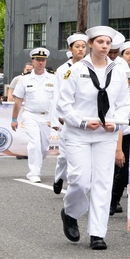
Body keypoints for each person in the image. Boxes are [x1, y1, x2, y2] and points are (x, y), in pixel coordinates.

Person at [57, 25, 130, 251]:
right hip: (79, 132)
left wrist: (116, 121)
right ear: (90, 44)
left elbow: (125, 103)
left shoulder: (118, 71)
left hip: (105, 134)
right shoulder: (75, 70)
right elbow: (63, 104)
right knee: (79, 179)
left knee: (102, 183)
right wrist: (81, 121)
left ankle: (97, 233)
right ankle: (70, 212)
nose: (105, 46)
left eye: (108, 43)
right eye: (100, 42)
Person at [12, 47, 56, 183]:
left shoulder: (53, 78)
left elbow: (57, 100)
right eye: (38, 60)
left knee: (43, 146)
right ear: (33, 60)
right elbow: (18, 100)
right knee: (34, 143)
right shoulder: (24, 80)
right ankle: (34, 172)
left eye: (43, 60)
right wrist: (14, 119)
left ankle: (37, 163)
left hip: (47, 116)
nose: (40, 63)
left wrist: (55, 118)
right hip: (31, 115)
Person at [52, 33, 88, 194]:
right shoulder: (63, 70)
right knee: (64, 157)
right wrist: (57, 117)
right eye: (77, 47)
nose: (81, 49)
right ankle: (59, 177)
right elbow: (57, 95)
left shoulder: (90, 66)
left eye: (83, 46)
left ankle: (75, 185)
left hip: (85, 116)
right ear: (70, 49)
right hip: (66, 116)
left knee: (79, 157)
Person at [110, 64, 130, 216]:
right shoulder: (126, 99)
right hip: (126, 138)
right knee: (122, 173)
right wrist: (119, 149)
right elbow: (120, 125)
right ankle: (113, 201)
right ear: (129, 83)